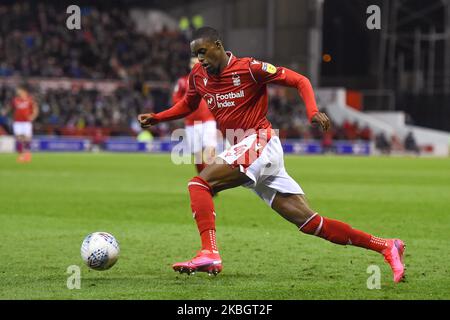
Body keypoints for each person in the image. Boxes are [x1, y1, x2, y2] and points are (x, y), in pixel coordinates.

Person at [138, 27, 405, 282]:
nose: (201, 59)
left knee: (199, 183)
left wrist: (312, 111)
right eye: (197, 54)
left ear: (218, 46)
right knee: (310, 223)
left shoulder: (250, 68)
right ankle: (387, 246)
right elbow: (189, 103)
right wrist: (158, 117)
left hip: (260, 141)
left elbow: (300, 80)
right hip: (244, 148)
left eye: (204, 52)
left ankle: (209, 253)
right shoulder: (198, 75)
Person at [172, 57, 217, 173]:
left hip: (208, 120)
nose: (194, 65)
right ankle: (204, 179)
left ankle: (213, 178)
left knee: (210, 150)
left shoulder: (211, 79)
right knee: (196, 155)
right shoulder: (182, 81)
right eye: (192, 63)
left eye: (197, 63)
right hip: (191, 123)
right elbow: (175, 99)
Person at [5, 84, 39, 162]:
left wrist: (33, 116)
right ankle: (21, 154)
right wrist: (5, 111)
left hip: (26, 122)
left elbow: (36, 109)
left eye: (20, 91)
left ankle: (27, 154)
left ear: (24, 91)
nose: (18, 92)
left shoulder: (30, 100)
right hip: (17, 122)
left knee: (27, 138)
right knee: (19, 138)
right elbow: (10, 107)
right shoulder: (15, 100)